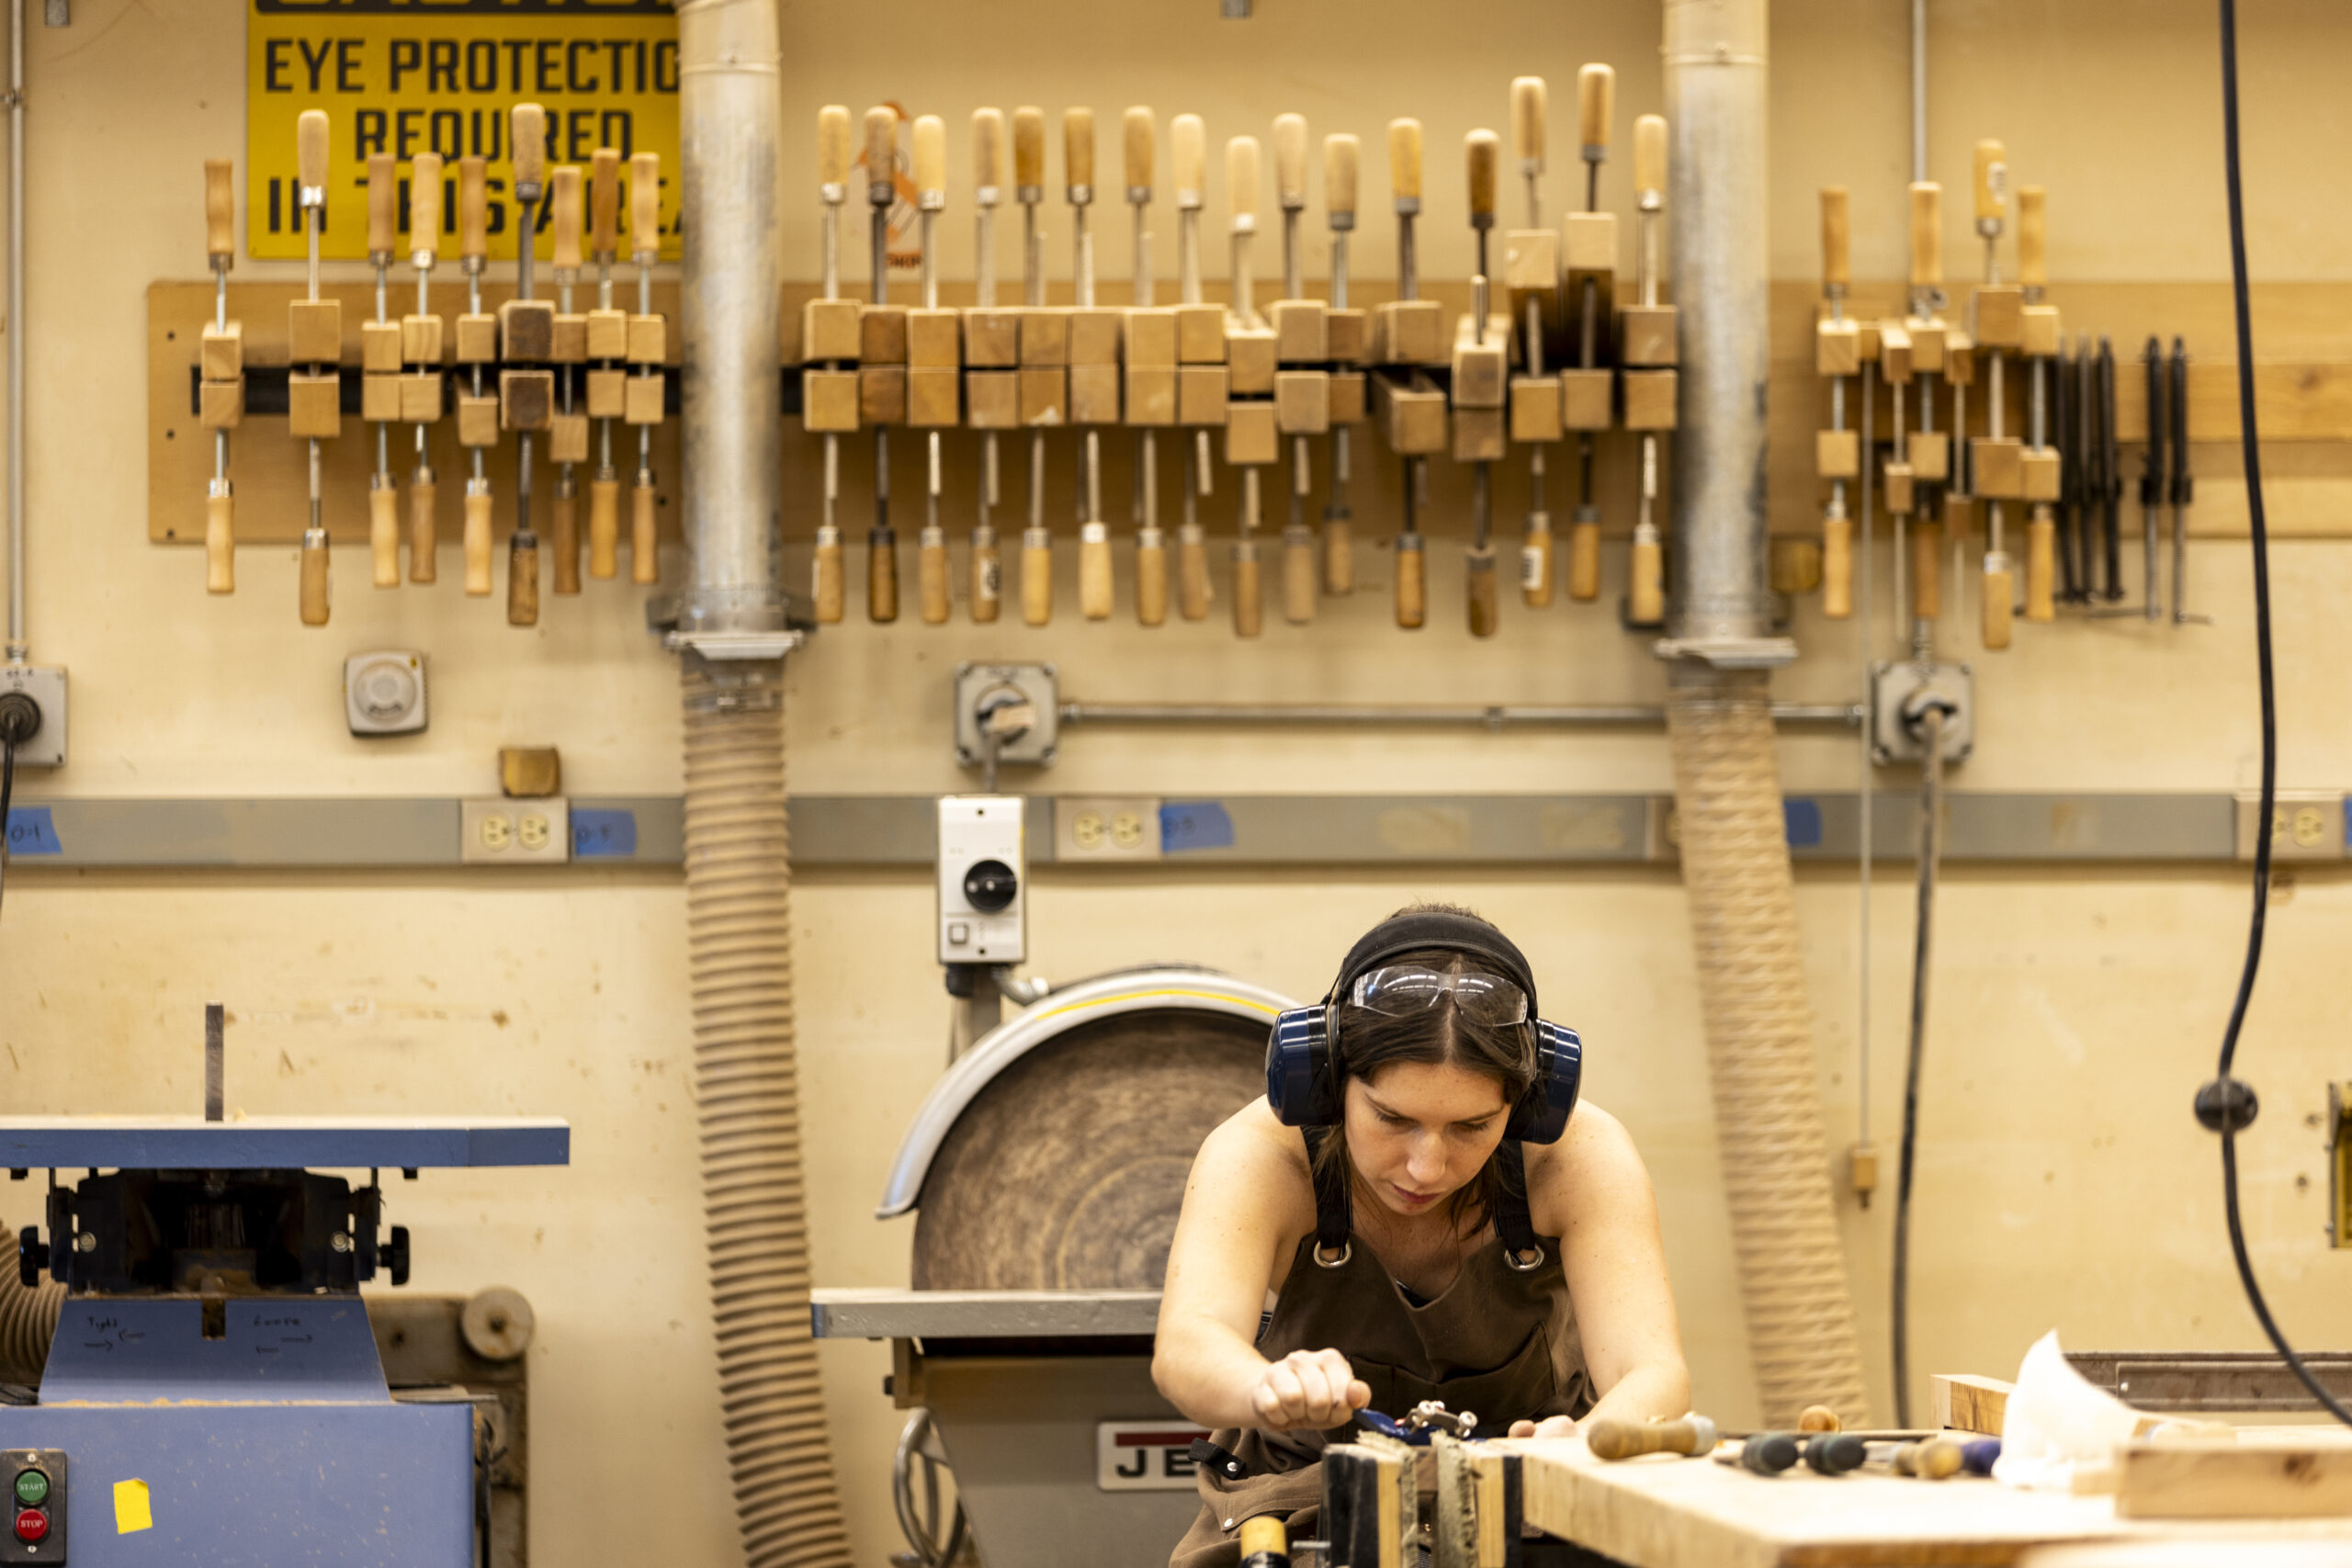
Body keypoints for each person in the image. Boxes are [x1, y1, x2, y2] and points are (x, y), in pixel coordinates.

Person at [1154, 904, 1689, 1563]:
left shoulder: (1576, 1156)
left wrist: (1591, 1440)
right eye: (1390, 1117)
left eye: (1472, 1126)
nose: (1425, 1166)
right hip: (1303, 1496)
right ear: (1327, 1081)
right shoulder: (1265, 1154)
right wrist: (1265, 1387)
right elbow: (1186, 1346)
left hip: (1530, 1489)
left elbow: (1653, 1371)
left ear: (1526, 1104)